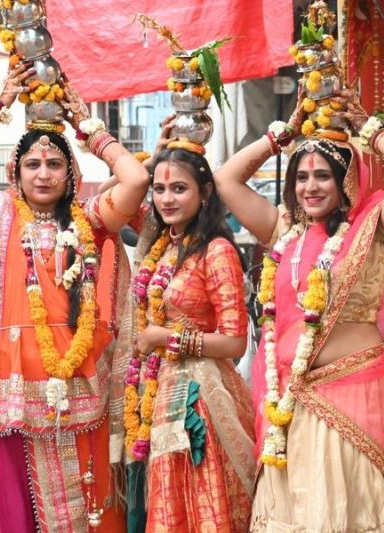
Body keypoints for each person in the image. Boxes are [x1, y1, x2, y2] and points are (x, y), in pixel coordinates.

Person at [0, 62, 150, 532]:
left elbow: (134, 181)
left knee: (85, 513)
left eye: (54, 164)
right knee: (11, 516)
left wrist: (86, 124)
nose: (44, 174)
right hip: (6, 396)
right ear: (15, 171)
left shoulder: (90, 219)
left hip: (78, 390)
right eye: (32, 164)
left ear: (71, 172)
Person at [214, 89, 384, 530]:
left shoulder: (376, 228)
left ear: (346, 180)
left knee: (344, 509)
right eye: (301, 177)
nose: (310, 187)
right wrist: (285, 133)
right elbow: (226, 180)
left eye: (323, 176)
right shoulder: (285, 233)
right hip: (290, 399)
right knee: (293, 510)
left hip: (352, 391)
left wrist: (369, 129)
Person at [111, 119, 256, 532]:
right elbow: (118, 195)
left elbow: (234, 342)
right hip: (156, 390)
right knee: (165, 502)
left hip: (200, 397)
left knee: (199, 500)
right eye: (159, 189)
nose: (166, 199)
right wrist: (154, 158)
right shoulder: (161, 243)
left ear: (205, 192)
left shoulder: (216, 251)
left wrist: (166, 337)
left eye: (179, 188)